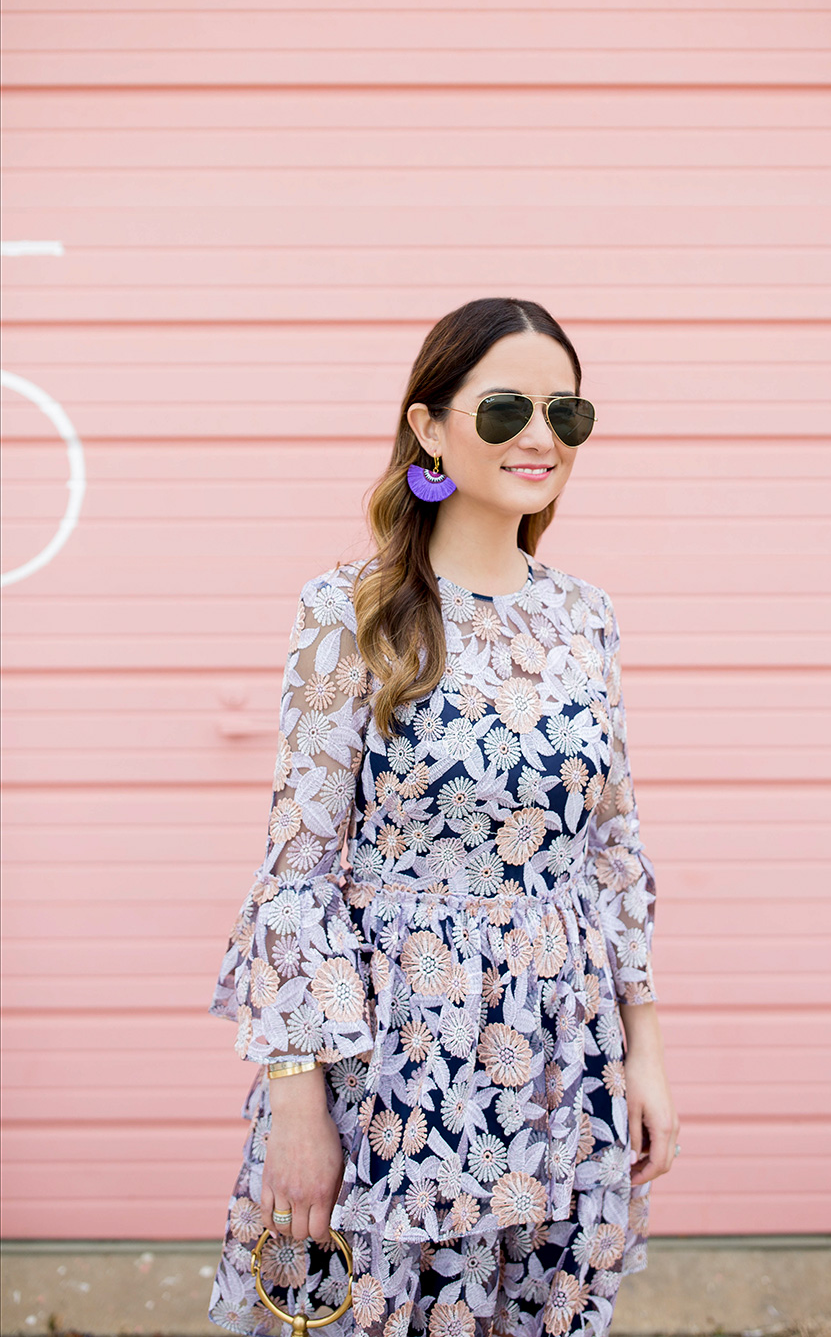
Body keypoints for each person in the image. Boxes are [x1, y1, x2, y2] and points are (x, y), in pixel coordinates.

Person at [207, 297, 680, 1336]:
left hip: (560, 1057)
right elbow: (298, 867)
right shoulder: (352, 609)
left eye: (568, 411)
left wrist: (643, 1044)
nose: (541, 434)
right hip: (389, 1064)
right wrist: (295, 1101)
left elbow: (611, 844)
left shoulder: (582, 615)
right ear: (429, 425)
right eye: (507, 405)